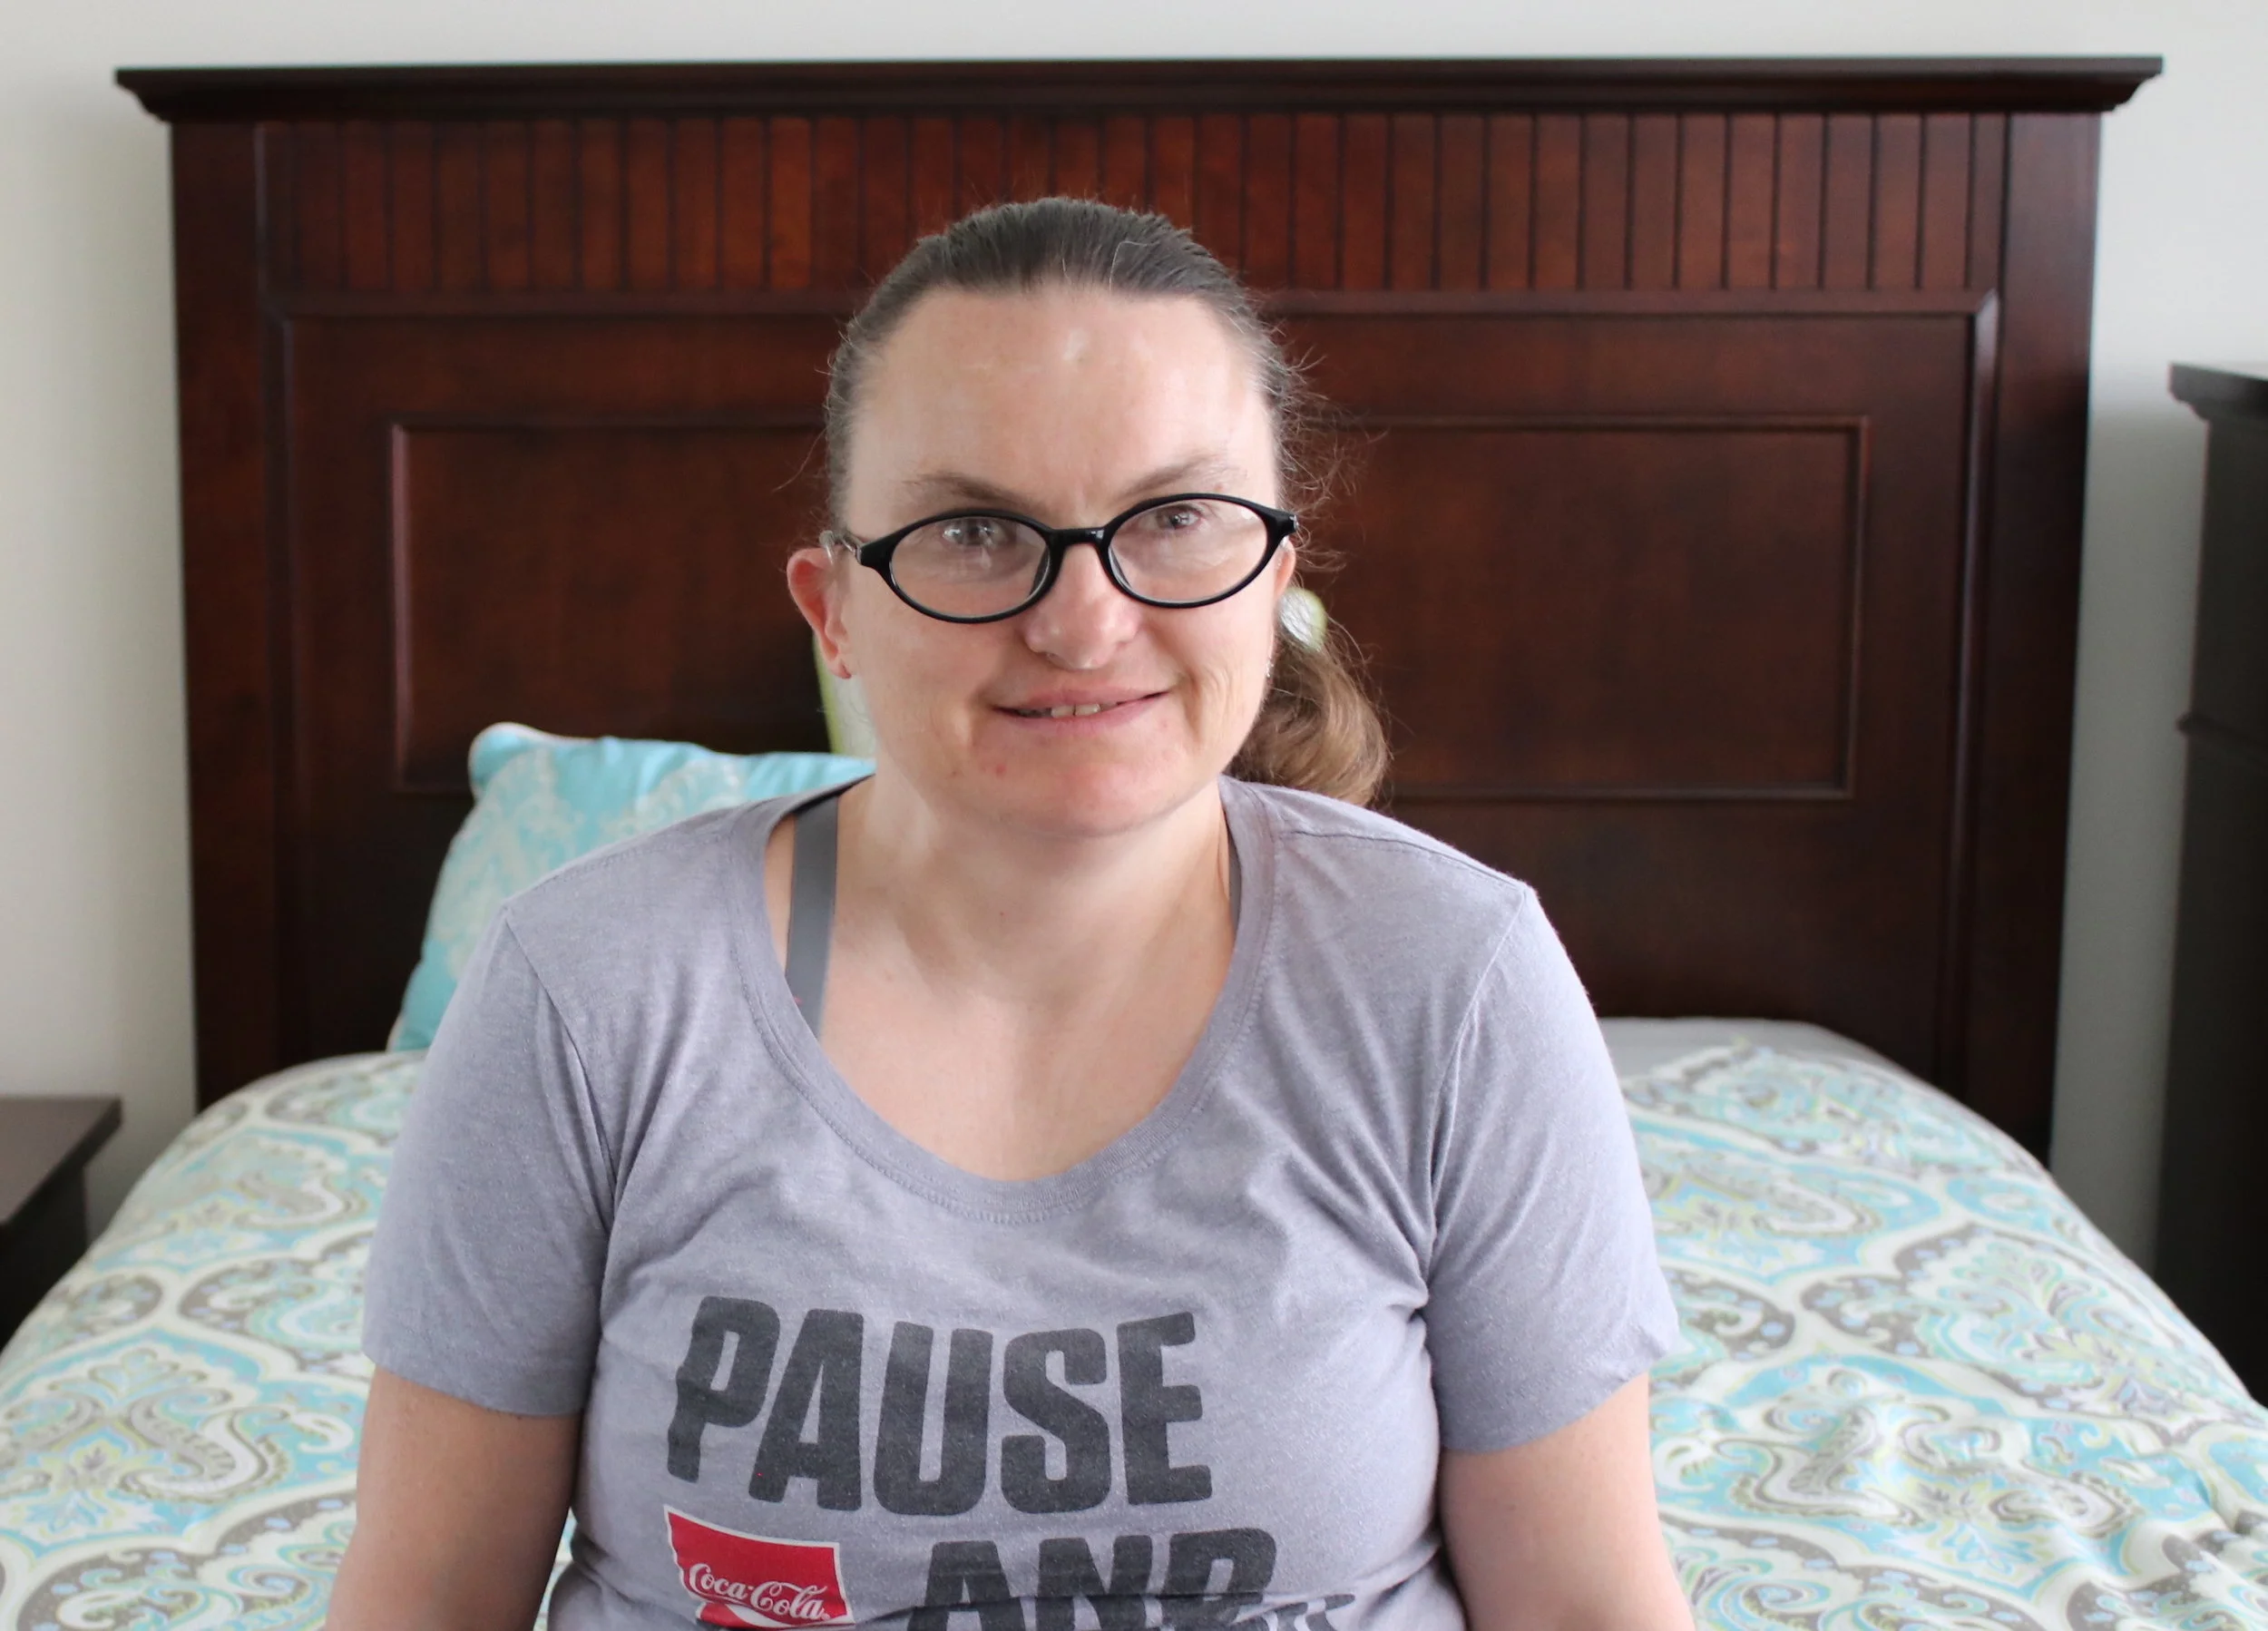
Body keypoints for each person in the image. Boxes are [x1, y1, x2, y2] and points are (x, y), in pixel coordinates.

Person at [329, 198, 1693, 1631]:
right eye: (976, 529)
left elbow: (1588, 1604)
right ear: (834, 609)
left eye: (1173, 519)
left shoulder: (1454, 982)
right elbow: (422, 1601)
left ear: (1273, 581)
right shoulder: (584, 992)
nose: (1086, 621)